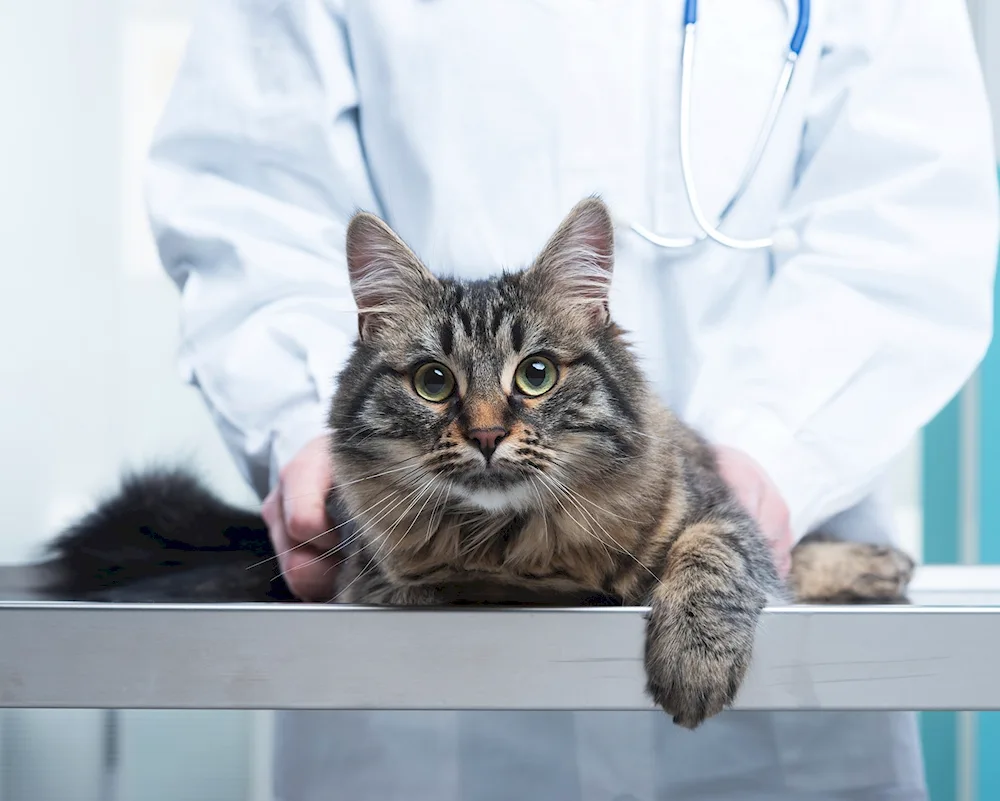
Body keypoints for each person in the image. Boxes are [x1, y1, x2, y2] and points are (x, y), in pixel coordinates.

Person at [146, 1, 999, 798]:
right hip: (418, 709)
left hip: (774, 684)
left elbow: (909, 215)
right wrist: (304, 421)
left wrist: (774, 456)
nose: (487, 427)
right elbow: (248, 189)